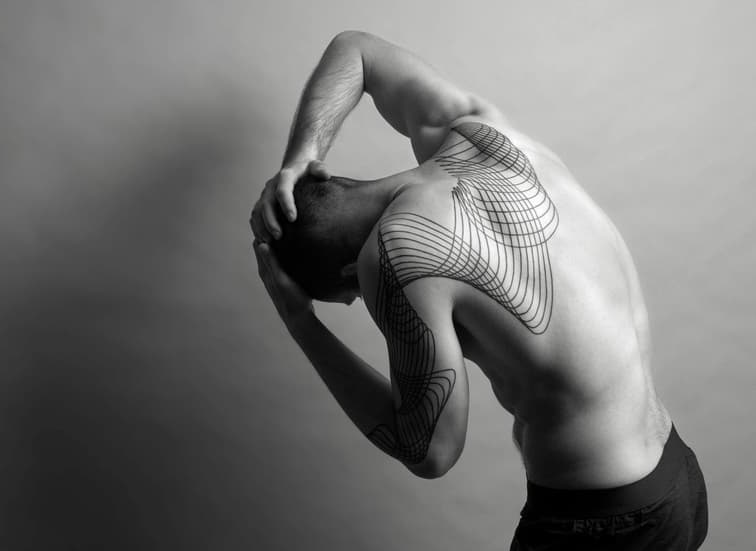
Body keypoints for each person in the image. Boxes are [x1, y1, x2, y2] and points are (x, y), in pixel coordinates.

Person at [249, 30, 708, 550]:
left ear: (349, 270)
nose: (362, 299)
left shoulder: (392, 254)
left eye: (351, 295)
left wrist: (303, 325)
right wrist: (300, 160)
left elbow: (431, 452)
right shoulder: (477, 133)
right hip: (676, 477)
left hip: (603, 524)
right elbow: (356, 49)